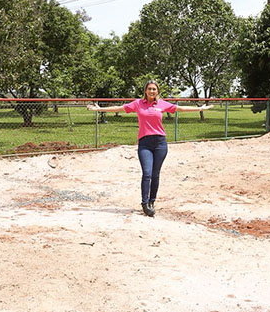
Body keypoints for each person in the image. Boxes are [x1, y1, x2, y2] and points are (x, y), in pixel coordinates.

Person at [86, 81, 213, 217]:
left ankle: (152, 201)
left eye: (154, 89)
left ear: (157, 91)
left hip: (160, 143)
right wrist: (99, 109)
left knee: (155, 174)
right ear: (145, 91)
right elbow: (119, 108)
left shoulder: (162, 104)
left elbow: (180, 109)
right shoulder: (138, 103)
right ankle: (144, 203)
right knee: (147, 173)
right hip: (145, 143)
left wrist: (201, 109)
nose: (152, 91)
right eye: (149, 89)